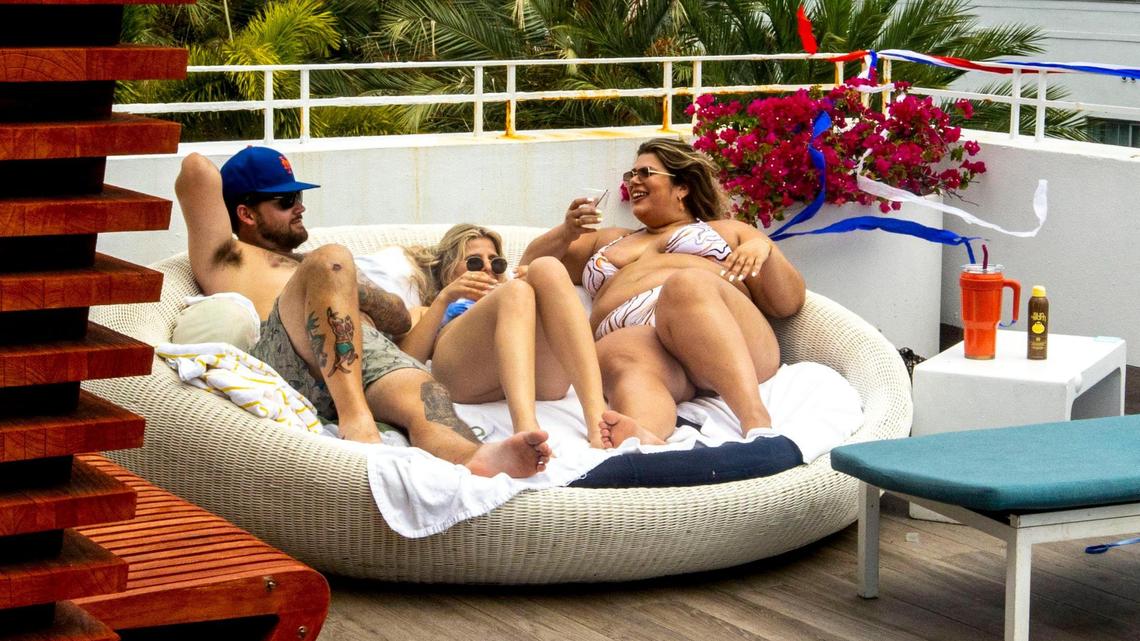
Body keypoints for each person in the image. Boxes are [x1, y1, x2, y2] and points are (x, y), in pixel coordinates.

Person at [174, 146, 551, 478]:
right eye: (285, 201)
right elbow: (195, 169)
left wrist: (353, 289)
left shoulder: (317, 265)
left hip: (366, 350)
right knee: (333, 258)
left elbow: (400, 321)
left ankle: (479, 458)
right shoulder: (228, 258)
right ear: (247, 213)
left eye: (299, 198)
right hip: (293, 352)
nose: (300, 207)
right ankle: (356, 419)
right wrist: (333, 273)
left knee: (429, 399)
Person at [520, 137, 806, 447]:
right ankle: (643, 442)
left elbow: (787, 303)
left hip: (726, 339)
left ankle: (756, 422)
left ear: (682, 186)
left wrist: (763, 247)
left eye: (645, 172)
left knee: (685, 285)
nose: (633, 181)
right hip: (653, 353)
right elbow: (530, 267)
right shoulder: (608, 241)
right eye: (631, 175)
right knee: (620, 351)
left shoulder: (726, 230)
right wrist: (567, 231)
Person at [398, 224, 609, 448]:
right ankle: (526, 429)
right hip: (464, 380)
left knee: (547, 266)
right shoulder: (428, 309)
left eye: (497, 263)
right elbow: (405, 362)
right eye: (474, 262)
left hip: (541, 381)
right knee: (515, 291)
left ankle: (598, 422)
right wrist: (444, 298)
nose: (488, 268)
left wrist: (535, 288)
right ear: (448, 270)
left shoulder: (516, 291)